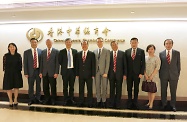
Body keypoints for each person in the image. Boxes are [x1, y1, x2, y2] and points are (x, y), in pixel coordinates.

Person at [159, 39, 181, 112]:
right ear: (164, 44)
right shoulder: (161, 53)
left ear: (172, 44)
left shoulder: (177, 53)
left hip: (174, 75)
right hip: (163, 75)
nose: (168, 45)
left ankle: (173, 105)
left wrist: (177, 74)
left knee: (173, 91)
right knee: (163, 90)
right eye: (166, 43)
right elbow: (160, 65)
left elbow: (178, 65)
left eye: (169, 43)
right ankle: (164, 104)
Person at [125, 37, 145, 109]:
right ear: (130, 43)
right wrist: (125, 74)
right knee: (129, 88)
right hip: (129, 74)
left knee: (136, 88)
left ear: (137, 43)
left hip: (137, 74)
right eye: (132, 43)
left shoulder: (141, 51)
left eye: (135, 42)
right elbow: (125, 64)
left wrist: (141, 73)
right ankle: (129, 101)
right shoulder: (126, 51)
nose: (134, 44)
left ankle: (135, 101)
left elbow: (143, 63)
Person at [76, 40, 96, 108]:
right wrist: (77, 74)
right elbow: (77, 65)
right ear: (81, 45)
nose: (84, 46)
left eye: (85, 44)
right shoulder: (78, 54)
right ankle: (81, 101)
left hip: (89, 75)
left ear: (88, 45)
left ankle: (90, 102)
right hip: (80, 75)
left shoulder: (91, 54)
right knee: (81, 89)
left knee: (89, 89)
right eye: (83, 44)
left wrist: (93, 74)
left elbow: (93, 65)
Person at [3, 43, 23, 107]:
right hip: (8, 73)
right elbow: (4, 65)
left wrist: (18, 71)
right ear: (8, 48)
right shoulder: (6, 56)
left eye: (13, 47)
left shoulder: (18, 55)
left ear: (15, 48)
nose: (12, 48)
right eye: (11, 47)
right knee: (8, 87)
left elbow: (20, 65)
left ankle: (15, 99)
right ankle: (10, 100)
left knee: (16, 86)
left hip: (17, 73)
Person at [39, 39, 59, 105]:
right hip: (44, 73)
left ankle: (53, 100)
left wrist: (56, 72)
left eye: (50, 42)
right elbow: (41, 62)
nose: (49, 43)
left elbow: (57, 63)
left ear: (52, 43)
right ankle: (46, 99)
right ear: (46, 43)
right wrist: (40, 72)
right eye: (47, 42)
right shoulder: (43, 52)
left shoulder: (56, 51)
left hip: (52, 73)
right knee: (45, 87)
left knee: (53, 87)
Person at [58, 38, 77, 106]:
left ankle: (71, 99)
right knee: (65, 86)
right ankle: (65, 99)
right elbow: (60, 61)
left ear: (71, 43)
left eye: (70, 42)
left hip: (72, 71)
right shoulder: (61, 51)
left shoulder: (75, 51)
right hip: (65, 71)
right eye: (67, 42)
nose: (68, 43)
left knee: (71, 86)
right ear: (65, 43)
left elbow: (76, 62)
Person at [108, 41, 127, 109]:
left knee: (119, 89)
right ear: (111, 46)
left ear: (117, 45)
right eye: (112, 45)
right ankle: (111, 103)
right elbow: (107, 65)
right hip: (111, 74)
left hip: (119, 74)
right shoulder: (109, 54)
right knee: (111, 89)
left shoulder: (122, 53)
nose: (114, 46)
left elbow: (125, 64)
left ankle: (118, 103)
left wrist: (125, 74)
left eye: (115, 44)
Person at [23, 38, 42, 106]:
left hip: (38, 71)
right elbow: (25, 63)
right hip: (30, 71)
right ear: (30, 43)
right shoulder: (26, 52)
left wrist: (41, 72)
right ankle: (31, 99)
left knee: (38, 86)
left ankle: (38, 98)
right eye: (32, 42)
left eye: (35, 42)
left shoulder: (40, 51)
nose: (34, 43)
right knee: (30, 86)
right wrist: (26, 72)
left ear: (37, 43)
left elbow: (42, 63)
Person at [93, 37, 110, 108]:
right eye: (98, 42)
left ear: (103, 42)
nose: (99, 43)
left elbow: (108, 62)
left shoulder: (107, 51)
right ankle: (98, 100)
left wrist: (106, 72)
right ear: (96, 43)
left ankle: (104, 101)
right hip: (96, 72)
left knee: (104, 86)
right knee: (97, 86)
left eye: (100, 41)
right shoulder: (94, 51)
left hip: (104, 72)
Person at [144, 44, 161, 109]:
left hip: (154, 76)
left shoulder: (157, 58)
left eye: (152, 49)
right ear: (147, 50)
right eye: (149, 49)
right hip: (146, 76)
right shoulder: (145, 58)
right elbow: (143, 67)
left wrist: (152, 76)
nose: (150, 50)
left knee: (153, 90)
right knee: (148, 89)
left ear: (154, 50)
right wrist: (145, 75)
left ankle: (151, 103)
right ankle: (149, 101)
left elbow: (157, 67)